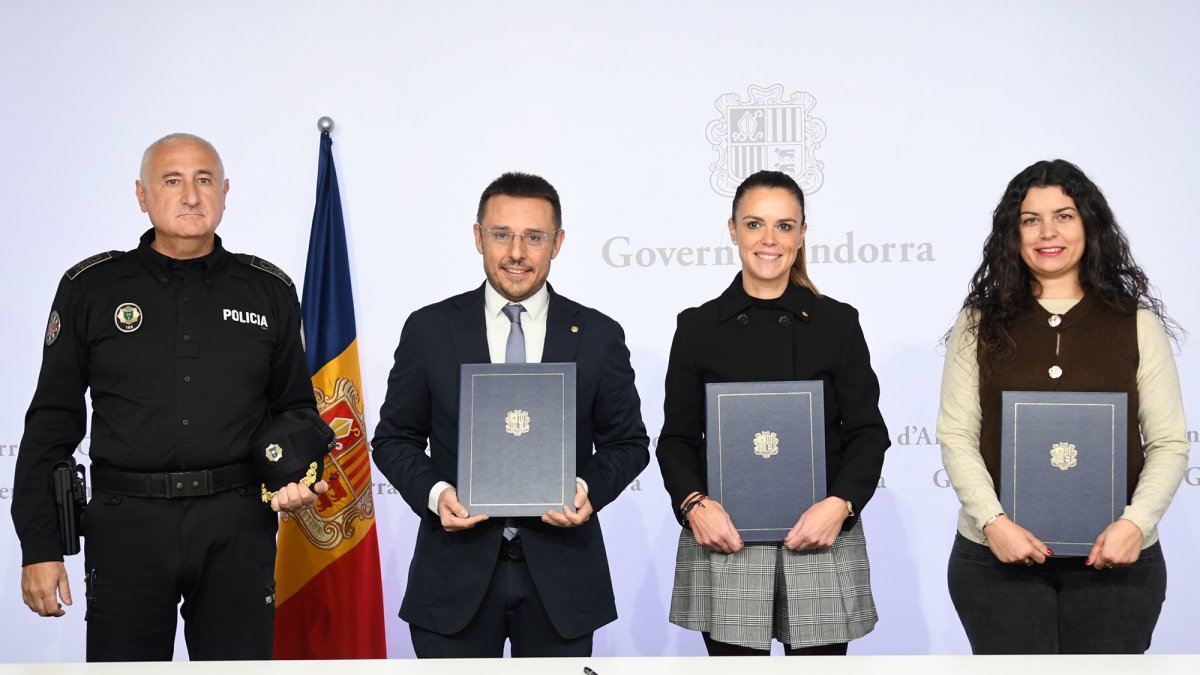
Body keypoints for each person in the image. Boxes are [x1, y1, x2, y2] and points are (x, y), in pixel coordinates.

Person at [12, 133, 334, 661]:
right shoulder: (90, 288)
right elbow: (51, 423)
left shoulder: (268, 290)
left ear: (226, 192)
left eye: (204, 180)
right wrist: (40, 547)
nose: (191, 196)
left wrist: (297, 472)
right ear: (142, 195)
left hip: (236, 524)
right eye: (172, 181)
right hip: (125, 526)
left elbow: (294, 408)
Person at [372, 171, 650, 658]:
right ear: (478, 237)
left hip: (561, 579)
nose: (516, 252)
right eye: (501, 234)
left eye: (534, 237)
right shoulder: (430, 329)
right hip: (452, 574)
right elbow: (395, 439)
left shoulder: (599, 335)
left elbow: (628, 444)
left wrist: (584, 490)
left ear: (557, 243)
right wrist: (438, 497)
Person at [938, 159, 1189, 654]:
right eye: (1030, 219)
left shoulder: (1135, 323)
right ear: (1013, 232)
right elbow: (956, 435)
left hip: (1115, 564)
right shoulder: (978, 323)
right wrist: (994, 523)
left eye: (1064, 215)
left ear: (1089, 224)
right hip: (996, 564)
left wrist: (1133, 525)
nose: (1047, 232)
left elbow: (1168, 443)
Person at [656, 170, 890, 655]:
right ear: (733, 230)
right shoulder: (697, 327)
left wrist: (840, 505)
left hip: (819, 534)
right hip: (730, 540)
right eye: (755, 224)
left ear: (803, 233)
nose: (769, 240)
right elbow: (676, 439)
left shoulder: (837, 323)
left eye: (785, 226)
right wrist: (694, 505)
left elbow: (867, 433)